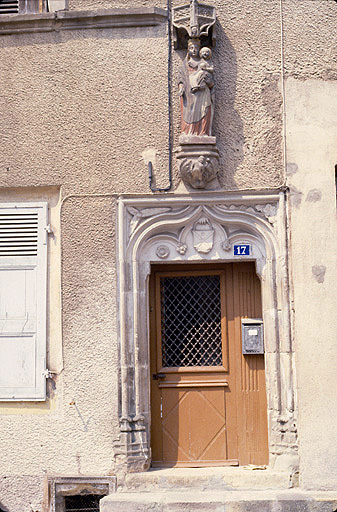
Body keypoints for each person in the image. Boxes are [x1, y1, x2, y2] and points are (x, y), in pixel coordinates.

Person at [178, 39, 215, 136]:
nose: (194, 50)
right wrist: (181, 87)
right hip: (189, 93)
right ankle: (188, 132)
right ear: (188, 50)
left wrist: (208, 81)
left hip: (202, 92)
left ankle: (203, 132)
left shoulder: (204, 64)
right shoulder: (185, 65)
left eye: (196, 48)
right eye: (191, 48)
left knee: (204, 109)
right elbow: (181, 79)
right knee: (189, 112)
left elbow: (211, 82)